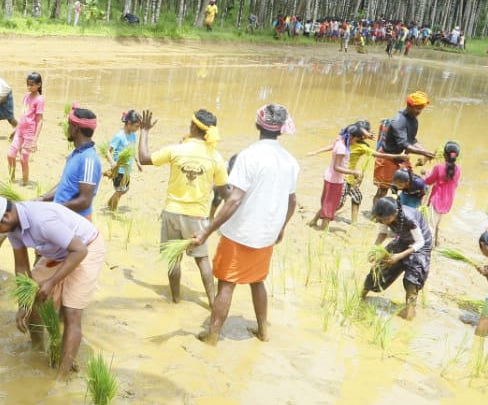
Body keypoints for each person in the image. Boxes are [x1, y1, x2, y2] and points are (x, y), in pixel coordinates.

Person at [192, 104, 298, 343]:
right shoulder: (290, 161)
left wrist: (207, 231)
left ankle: (212, 335)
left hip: (241, 233)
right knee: (257, 280)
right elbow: (292, 202)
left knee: (227, 284)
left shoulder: (249, 155)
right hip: (267, 233)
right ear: (281, 130)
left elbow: (234, 199)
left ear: (257, 125)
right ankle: (263, 331)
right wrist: (280, 228)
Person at [0, 195, 107, 375]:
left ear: (6, 217)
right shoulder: (13, 227)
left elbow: (80, 251)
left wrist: (52, 282)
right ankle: (37, 349)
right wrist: (23, 303)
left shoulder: (42, 221)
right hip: (59, 252)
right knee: (33, 297)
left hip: (87, 247)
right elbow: (22, 267)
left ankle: (62, 377)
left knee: (72, 312)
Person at [138, 108, 228, 304]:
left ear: (193, 126)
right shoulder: (216, 157)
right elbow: (224, 192)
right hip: (198, 217)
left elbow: (144, 158)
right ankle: (213, 302)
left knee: (173, 259)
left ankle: (176, 299)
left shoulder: (177, 150)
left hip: (173, 212)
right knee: (202, 259)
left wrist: (144, 131)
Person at [363, 197, 434, 320]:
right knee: (380, 268)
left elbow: (420, 242)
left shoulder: (409, 219)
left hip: (421, 246)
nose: (383, 222)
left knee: (412, 279)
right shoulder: (384, 216)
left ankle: (409, 313)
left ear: (395, 212)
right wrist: (375, 248)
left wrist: (399, 256)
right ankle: (361, 296)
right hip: (403, 240)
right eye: (380, 220)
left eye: (385, 219)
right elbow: (382, 233)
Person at [40, 106, 100, 218]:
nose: (67, 128)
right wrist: (41, 199)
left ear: (76, 128)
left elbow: (84, 201)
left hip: (74, 223)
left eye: (69, 125)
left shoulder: (89, 159)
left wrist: (55, 208)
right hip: (61, 216)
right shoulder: (75, 154)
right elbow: (65, 185)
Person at [374, 92, 434, 199]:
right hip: (388, 157)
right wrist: (423, 152)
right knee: (382, 190)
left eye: (421, 108)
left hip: (402, 158)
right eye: (417, 108)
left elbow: (412, 140)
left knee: (408, 185)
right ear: (409, 106)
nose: (419, 111)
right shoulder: (398, 121)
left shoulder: (414, 120)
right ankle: (376, 214)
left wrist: (425, 150)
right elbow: (404, 144)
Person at [309, 121, 366, 230]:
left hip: (330, 177)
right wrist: (353, 172)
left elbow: (332, 147)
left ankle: (314, 221)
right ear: (352, 137)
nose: (356, 142)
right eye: (356, 140)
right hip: (334, 180)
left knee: (327, 202)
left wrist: (316, 152)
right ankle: (323, 230)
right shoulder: (342, 148)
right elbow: (337, 167)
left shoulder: (339, 141)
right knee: (331, 205)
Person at [7, 73, 44, 185]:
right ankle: (11, 180)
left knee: (23, 160)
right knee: (10, 154)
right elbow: (23, 115)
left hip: (29, 133)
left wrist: (35, 140)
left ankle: (24, 182)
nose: (29, 87)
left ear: (39, 85)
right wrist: (16, 128)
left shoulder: (40, 99)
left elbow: (40, 120)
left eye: (32, 85)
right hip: (20, 131)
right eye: (28, 85)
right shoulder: (26, 96)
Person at [422, 141, 461, 245]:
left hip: (436, 200)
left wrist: (425, 173)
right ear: (457, 156)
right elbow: (455, 184)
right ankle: (437, 243)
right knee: (438, 224)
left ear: (444, 154)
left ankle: (427, 248)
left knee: (430, 226)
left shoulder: (438, 167)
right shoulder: (458, 169)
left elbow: (428, 181)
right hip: (447, 201)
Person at [104, 111, 142, 213]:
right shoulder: (119, 136)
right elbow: (107, 151)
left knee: (124, 189)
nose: (138, 129)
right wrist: (112, 163)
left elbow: (132, 149)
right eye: (136, 126)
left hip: (127, 169)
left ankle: (110, 202)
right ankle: (113, 213)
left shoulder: (133, 135)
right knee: (120, 190)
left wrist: (137, 162)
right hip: (119, 169)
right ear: (129, 123)